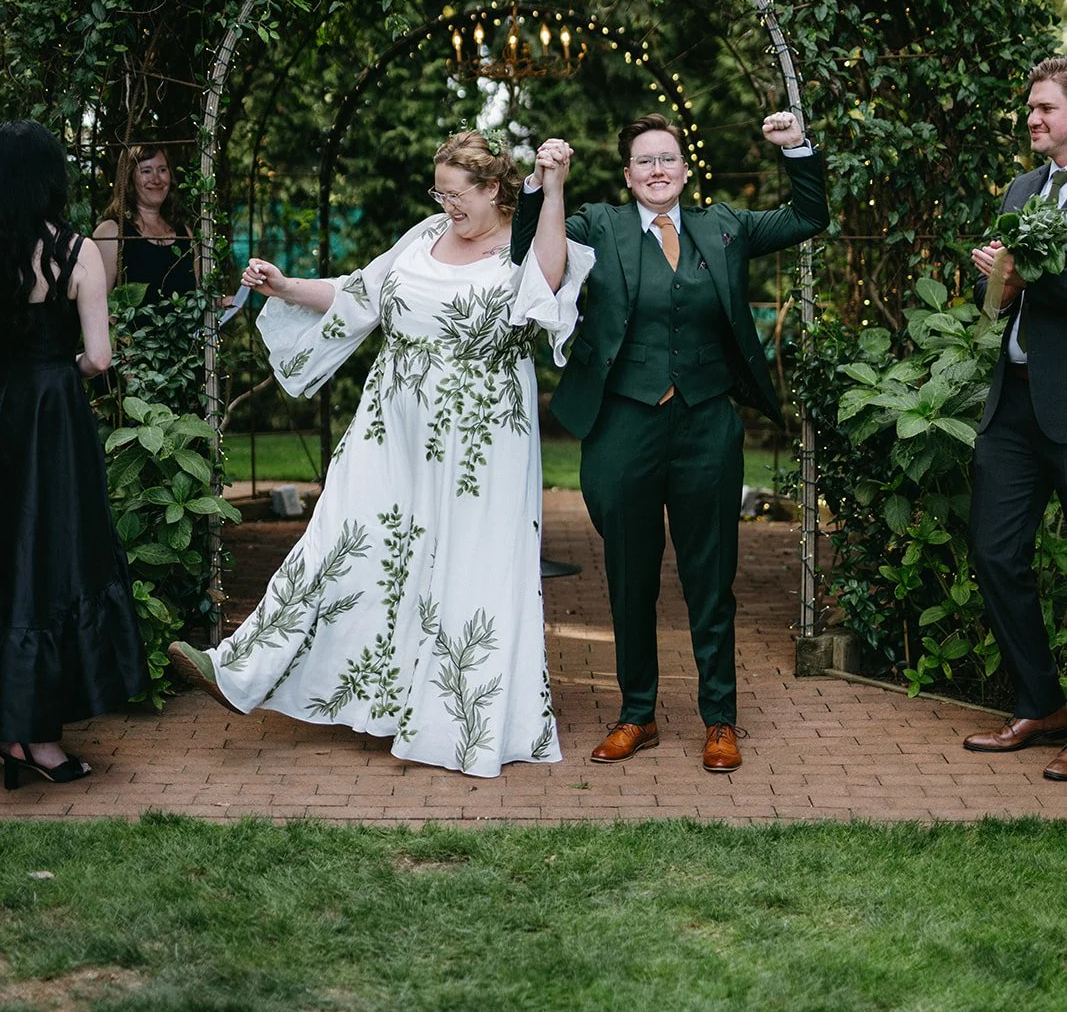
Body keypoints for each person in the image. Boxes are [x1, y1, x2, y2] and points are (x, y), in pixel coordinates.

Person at [168, 131, 593, 777]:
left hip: (479, 442)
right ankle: (239, 669)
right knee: (342, 540)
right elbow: (357, 295)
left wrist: (554, 186)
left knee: (462, 568)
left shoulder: (524, 238)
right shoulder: (424, 235)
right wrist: (285, 287)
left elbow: (551, 284)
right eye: (439, 192)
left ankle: (452, 720)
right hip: (389, 427)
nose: (446, 205)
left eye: (457, 195)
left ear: (493, 189)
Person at [511, 111, 829, 772]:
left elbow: (807, 218)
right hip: (623, 423)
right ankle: (636, 714)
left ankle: (719, 719)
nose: (658, 170)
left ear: (685, 169)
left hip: (707, 422)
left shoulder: (726, 227)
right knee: (630, 578)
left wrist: (795, 147)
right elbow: (525, 253)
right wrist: (545, 183)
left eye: (668, 158)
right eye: (645, 161)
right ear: (627, 176)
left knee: (709, 578)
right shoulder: (597, 226)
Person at [0, 121, 147, 790]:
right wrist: (62, 369)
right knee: (52, 559)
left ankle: (12, 733)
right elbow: (99, 356)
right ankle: (38, 741)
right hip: (53, 418)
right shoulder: (77, 250)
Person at [963, 56, 1067, 777]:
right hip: (1016, 400)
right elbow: (1001, 304)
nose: (1031, 119)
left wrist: (1038, 274)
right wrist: (997, 280)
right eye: (1029, 108)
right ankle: (1042, 702)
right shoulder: (1023, 188)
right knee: (994, 551)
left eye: (1045, 109)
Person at [93, 142, 196, 301]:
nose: (156, 179)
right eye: (146, 171)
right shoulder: (111, 232)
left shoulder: (185, 233)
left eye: (162, 170)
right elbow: (97, 305)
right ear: (128, 179)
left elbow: (197, 296)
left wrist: (219, 304)